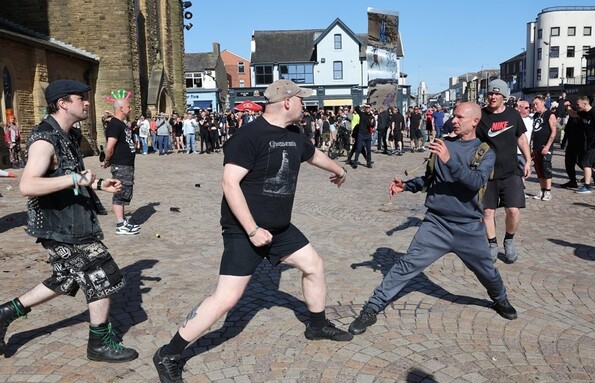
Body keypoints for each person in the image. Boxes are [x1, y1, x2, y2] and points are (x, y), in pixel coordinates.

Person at [153, 79, 352, 383]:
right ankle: (169, 352)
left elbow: (313, 155)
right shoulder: (249, 136)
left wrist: (338, 169)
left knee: (313, 266)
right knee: (227, 298)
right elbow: (229, 183)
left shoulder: (295, 135)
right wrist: (252, 229)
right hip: (244, 229)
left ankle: (317, 325)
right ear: (287, 102)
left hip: (280, 228)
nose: (305, 105)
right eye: (301, 100)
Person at [348, 102, 517, 336]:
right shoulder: (443, 145)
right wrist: (406, 186)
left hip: (468, 227)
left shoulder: (485, 152)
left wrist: (450, 160)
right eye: (453, 116)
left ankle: (500, 299)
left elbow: (475, 182)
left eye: (460, 117)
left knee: (487, 271)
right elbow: (430, 180)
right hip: (436, 224)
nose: (454, 120)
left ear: (475, 121)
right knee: (406, 265)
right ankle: (372, 308)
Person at [0, 79, 138, 362]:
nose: (87, 102)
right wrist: (76, 179)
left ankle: (5, 313)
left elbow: (73, 174)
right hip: (59, 225)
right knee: (103, 275)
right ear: (63, 103)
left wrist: (98, 185)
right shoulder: (44, 140)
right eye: (81, 98)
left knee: (65, 279)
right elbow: (28, 185)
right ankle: (98, 343)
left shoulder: (69, 135)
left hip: (74, 220)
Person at [476, 79, 531, 264]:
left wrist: (528, 160)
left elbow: (521, 138)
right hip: (487, 173)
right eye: (490, 93)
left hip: (511, 170)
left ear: (504, 97)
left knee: (513, 211)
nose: (492, 97)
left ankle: (509, 240)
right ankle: (492, 244)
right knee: (488, 212)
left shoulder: (513, 115)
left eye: (496, 94)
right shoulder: (481, 115)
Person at [101, 92, 141, 235]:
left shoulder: (120, 123)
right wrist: (107, 160)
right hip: (121, 164)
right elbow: (110, 146)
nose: (130, 109)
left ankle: (123, 221)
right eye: (128, 106)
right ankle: (120, 225)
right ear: (121, 108)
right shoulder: (114, 125)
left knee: (125, 191)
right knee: (120, 191)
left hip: (126, 164)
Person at [530, 95, 557, 201]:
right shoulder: (536, 116)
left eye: (536, 104)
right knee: (538, 169)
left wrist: (547, 146)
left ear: (543, 103)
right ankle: (542, 189)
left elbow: (553, 132)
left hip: (545, 146)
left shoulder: (550, 115)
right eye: (533, 104)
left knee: (546, 168)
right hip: (536, 146)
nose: (535, 106)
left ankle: (548, 191)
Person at [560, 101, 584, 189]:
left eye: (568, 106)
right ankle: (573, 181)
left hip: (577, 142)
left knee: (577, 162)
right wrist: (563, 141)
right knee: (572, 162)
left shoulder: (578, 115)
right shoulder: (573, 116)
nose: (567, 108)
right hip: (572, 142)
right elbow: (567, 130)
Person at [351, 103, 374, 168]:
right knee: (358, 148)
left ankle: (368, 162)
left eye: (368, 108)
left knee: (368, 149)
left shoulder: (371, 116)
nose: (367, 109)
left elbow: (372, 125)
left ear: (370, 109)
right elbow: (356, 108)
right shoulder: (362, 114)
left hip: (368, 134)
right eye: (366, 108)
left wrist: (372, 123)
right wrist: (363, 105)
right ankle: (355, 162)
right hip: (361, 133)